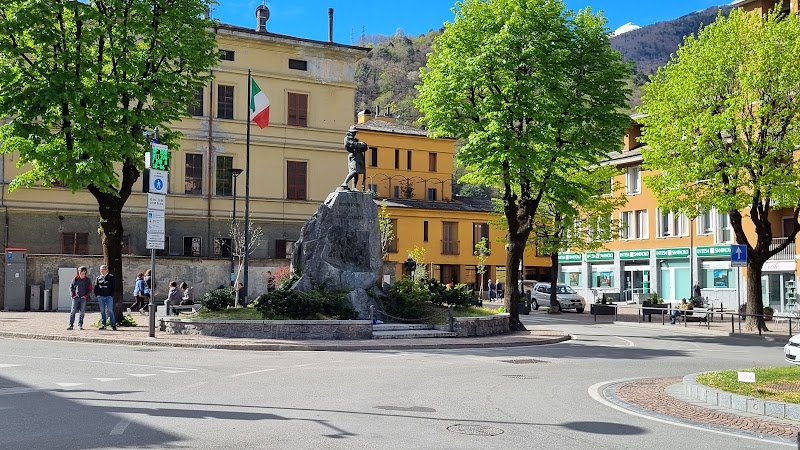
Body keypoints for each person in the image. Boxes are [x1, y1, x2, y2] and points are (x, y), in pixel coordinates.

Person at [340, 125, 368, 191]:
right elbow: (353, 144)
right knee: (354, 171)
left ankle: (354, 187)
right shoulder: (347, 139)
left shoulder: (355, 140)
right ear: (350, 132)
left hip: (358, 156)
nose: (354, 134)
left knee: (357, 172)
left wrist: (364, 146)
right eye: (353, 132)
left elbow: (364, 148)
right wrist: (361, 144)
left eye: (355, 132)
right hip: (353, 156)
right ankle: (345, 183)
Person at [95, 264, 116, 330]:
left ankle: (113, 325)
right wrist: (97, 295)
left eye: (104, 269)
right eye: (101, 269)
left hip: (108, 297)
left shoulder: (111, 277)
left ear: (107, 270)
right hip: (101, 297)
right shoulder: (98, 278)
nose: (102, 271)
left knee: (110, 310)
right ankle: (103, 325)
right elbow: (96, 287)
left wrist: (111, 294)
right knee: (102, 311)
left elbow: (113, 287)